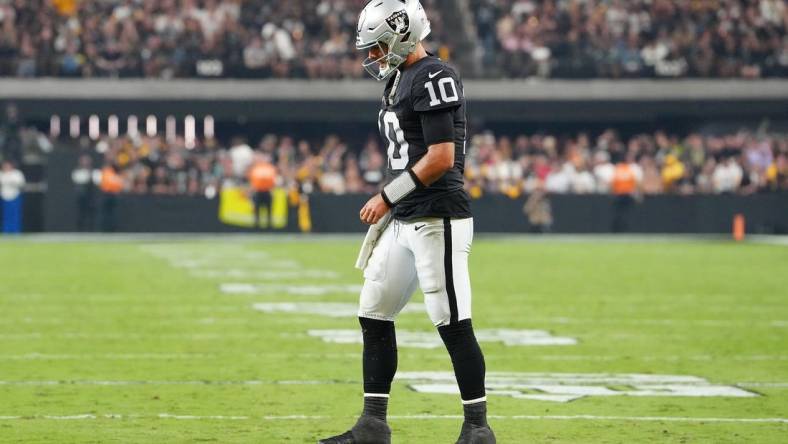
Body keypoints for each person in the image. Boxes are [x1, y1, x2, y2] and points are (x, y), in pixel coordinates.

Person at [319, 2, 495, 443]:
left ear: (402, 33)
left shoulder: (435, 75)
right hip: (407, 216)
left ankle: (478, 429)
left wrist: (386, 195)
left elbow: (440, 157)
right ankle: (372, 425)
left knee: (452, 321)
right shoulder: (400, 79)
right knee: (374, 312)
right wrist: (393, 204)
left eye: (379, 45)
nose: (375, 56)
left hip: (439, 216)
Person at [248, 152, 277, 229]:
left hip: (267, 191)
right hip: (258, 191)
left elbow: (273, 180)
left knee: (269, 209)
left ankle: (269, 224)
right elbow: (253, 181)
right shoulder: (256, 168)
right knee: (257, 209)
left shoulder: (270, 168)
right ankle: (256, 224)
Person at [0, 160, 25, 234]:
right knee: (5, 216)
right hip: (4, 197)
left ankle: (16, 231)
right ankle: (6, 231)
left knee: (15, 215)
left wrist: (11, 182)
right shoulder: (1, 174)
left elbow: (21, 184)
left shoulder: (17, 173)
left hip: (15, 197)